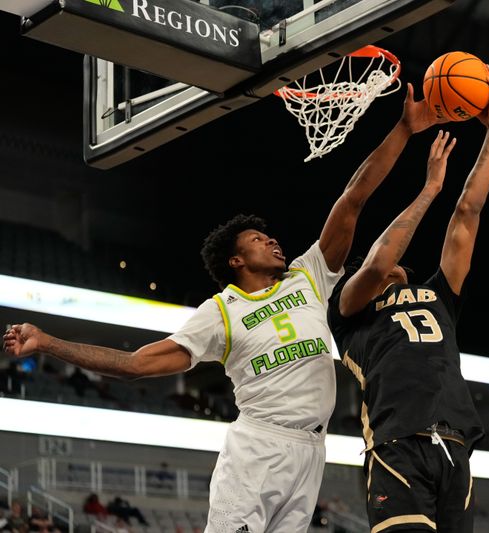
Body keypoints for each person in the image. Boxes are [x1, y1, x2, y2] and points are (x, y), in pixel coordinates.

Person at [2, 82, 445, 533]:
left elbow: (354, 198)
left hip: (313, 451)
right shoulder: (221, 311)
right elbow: (136, 365)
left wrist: (404, 130)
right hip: (259, 449)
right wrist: (48, 342)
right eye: (257, 239)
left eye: (268, 235)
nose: (272, 240)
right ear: (236, 261)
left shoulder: (307, 275)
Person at [327, 66, 489, 532]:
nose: (402, 267)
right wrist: (428, 190)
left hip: (455, 445)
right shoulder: (349, 311)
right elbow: (379, 265)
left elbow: (468, 211)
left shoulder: (439, 296)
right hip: (396, 445)